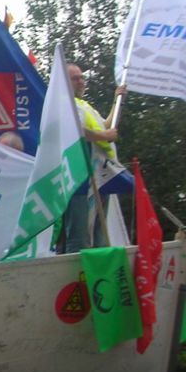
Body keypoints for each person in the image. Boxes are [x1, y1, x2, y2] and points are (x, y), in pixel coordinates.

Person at [60, 64, 118, 253]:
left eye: (82, 78)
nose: (81, 82)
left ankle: (97, 274)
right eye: (75, 78)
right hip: (80, 175)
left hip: (101, 172)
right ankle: (77, 277)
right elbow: (77, 131)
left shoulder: (85, 106)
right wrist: (105, 136)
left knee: (99, 234)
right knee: (80, 235)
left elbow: (105, 126)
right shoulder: (63, 103)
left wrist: (118, 100)